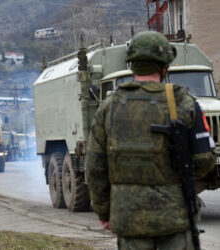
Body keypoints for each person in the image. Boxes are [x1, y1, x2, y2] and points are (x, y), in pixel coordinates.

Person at [85, 31, 216, 250]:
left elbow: (95, 167)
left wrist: (104, 211)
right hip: (175, 217)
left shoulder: (108, 107)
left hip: (128, 218)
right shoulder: (184, 103)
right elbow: (204, 161)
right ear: (165, 65)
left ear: (132, 64)